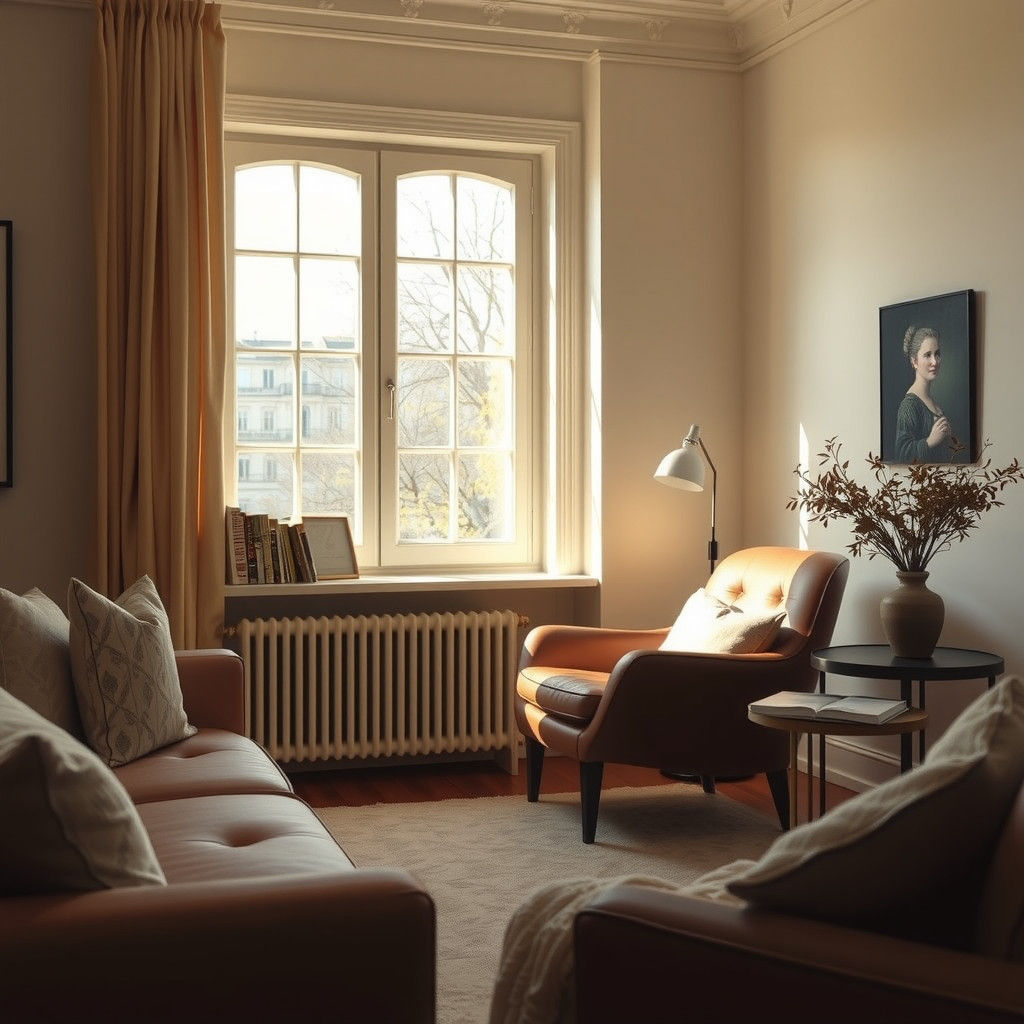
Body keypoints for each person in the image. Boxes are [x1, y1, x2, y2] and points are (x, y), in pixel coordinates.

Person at [893, 325, 953, 462]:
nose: (935, 362)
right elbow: (902, 455)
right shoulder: (909, 406)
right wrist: (930, 441)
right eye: (927, 355)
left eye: (937, 354)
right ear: (914, 361)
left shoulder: (931, 401)